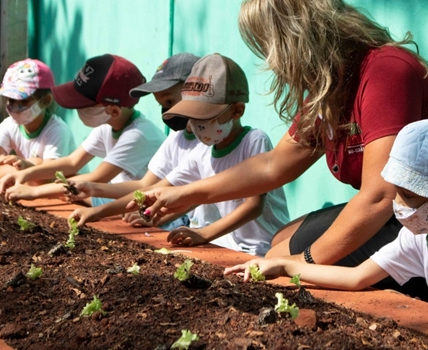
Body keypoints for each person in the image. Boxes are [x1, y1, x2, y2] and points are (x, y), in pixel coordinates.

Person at [139, 0, 428, 301]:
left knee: (284, 260)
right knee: (278, 244)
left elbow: (380, 196)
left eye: (270, 46)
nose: (273, 63)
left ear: (297, 38)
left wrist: (302, 265)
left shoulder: (385, 71)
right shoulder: (330, 88)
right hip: (393, 216)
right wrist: (186, 194)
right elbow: (273, 166)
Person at [225, 120, 428, 334]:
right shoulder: (423, 233)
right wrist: (279, 266)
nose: (397, 202)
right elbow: (356, 277)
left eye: (409, 195)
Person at [73, 53, 289, 256]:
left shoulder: (254, 141)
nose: (196, 126)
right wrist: (99, 212)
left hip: (264, 247)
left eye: (205, 118)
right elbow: (154, 189)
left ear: (236, 111)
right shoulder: (202, 151)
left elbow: (253, 206)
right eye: (191, 118)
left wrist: (204, 234)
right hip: (228, 242)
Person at [0, 54, 166, 205]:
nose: (78, 109)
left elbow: (96, 178)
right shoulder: (108, 125)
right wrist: (26, 175)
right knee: (68, 188)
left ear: (113, 110)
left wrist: (34, 192)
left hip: (151, 209)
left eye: (85, 104)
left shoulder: (137, 135)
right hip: (125, 200)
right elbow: (72, 162)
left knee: (74, 191)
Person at [64, 52, 201, 230]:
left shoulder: (142, 134)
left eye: (170, 100)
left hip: (189, 225)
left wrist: (153, 216)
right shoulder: (177, 138)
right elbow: (146, 185)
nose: (167, 112)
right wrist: (96, 194)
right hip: (182, 220)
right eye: (163, 105)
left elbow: (197, 196)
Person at [0, 58, 75, 187]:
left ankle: (23, 177)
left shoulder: (57, 130)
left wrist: (27, 165)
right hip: (35, 181)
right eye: (11, 100)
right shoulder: (9, 125)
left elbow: (52, 175)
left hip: (63, 188)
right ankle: (23, 178)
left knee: (36, 163)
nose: (15, 106)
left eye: (24, 101)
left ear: (45, 101)